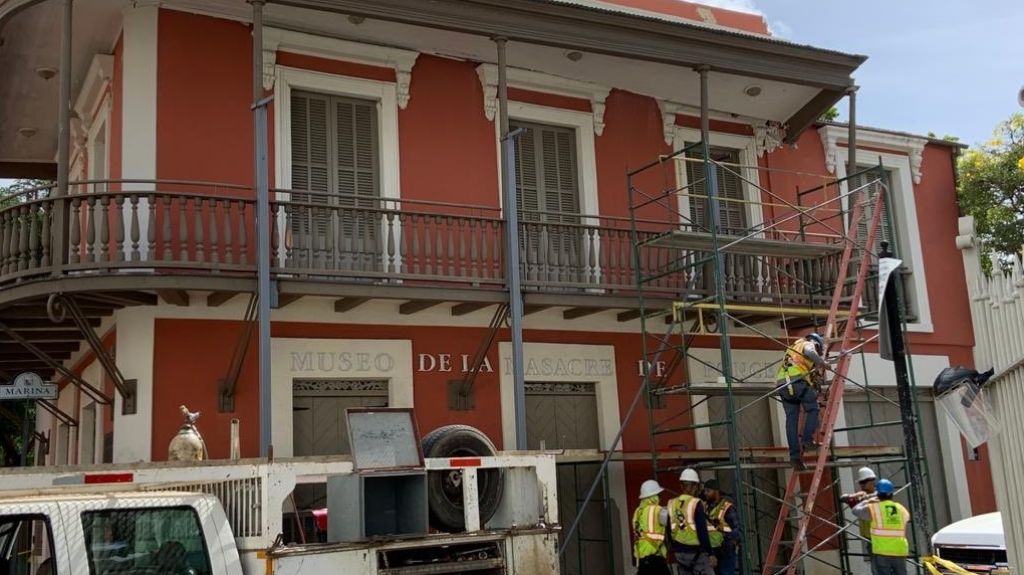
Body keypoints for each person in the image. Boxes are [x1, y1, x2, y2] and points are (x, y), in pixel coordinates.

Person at [776, 332, 827, 469]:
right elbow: (810, 352)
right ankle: (806, 440)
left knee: (791, 419)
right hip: (797, 381)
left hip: (782, 384)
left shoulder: (792, 348)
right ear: (817, 343)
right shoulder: (807, 344)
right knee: (813, 409)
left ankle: (794, 457)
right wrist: (822, 363)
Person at [852, 479, 911, 575]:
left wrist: (867, 501)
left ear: (878, 494)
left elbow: (855, 510)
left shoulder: (874, 508)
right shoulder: (901, 508)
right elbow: (906, 519)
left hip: (882, 551)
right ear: (892, 494)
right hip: (900, 550)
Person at [669, 468, 716, 575]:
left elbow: (669, 530)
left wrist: (675, 548)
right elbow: (702, 531)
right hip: (696, 553)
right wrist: (710, 553)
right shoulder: (695, 503)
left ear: (682, 485)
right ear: (694, 486)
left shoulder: (672, 504)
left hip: (680, 553)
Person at [632, 479, 672, 575]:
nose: (660, 497)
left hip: (641, 558)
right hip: (655, 558)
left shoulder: (637, 512)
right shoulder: (658, 510)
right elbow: (671, 527)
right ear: (653, 496)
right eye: (658, 495)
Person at [703, 479, 742, 575]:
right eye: (705, 491)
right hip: (712, 551)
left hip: (726, 550)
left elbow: (737, 530)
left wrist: (727, 541)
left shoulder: (727, 508)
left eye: (708, 491)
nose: (705, 493)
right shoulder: (705, 508)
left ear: (716, 491)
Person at [842, 467, 879, 556]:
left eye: (864, 482)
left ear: (872, 481)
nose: (862, 485)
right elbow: (845, 499)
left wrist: (863, 498)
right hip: (869, 538)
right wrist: (853, 497)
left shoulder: (879, 496)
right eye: (860, 483)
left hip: (880, 537)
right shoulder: (861, 497)